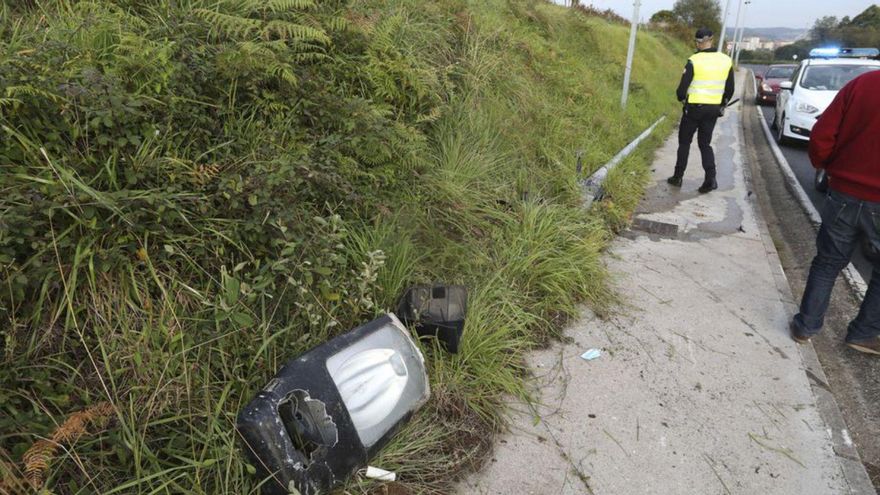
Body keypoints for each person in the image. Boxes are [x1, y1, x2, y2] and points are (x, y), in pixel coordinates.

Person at [791, 69, 880, 355]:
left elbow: (823, 133)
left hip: (844, 192)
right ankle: (863, 333)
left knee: (828, 263)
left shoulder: (863, 84)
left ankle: (806, 327)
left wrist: (826, 165)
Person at [667, 28, 735, 193]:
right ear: (712, 40)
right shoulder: (726, 60)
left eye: (697, 42)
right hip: (713, 110)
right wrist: (722, 104)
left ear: (698, 42)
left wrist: (683, 99)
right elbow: (730, 89)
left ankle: (677, 177)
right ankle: (710, 179)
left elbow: (681, 91)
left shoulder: (694, 60)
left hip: (694, 109)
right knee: (705, 144)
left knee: (684, 143)